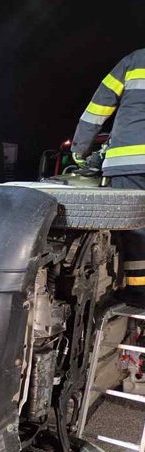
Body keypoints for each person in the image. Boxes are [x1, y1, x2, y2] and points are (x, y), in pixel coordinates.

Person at [71, 48, 145, 307]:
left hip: (129, 162)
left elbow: (99, 107)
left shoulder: (134, 61)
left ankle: (140, 292)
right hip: (128, 162)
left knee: (136, 230)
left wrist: (80, 150)